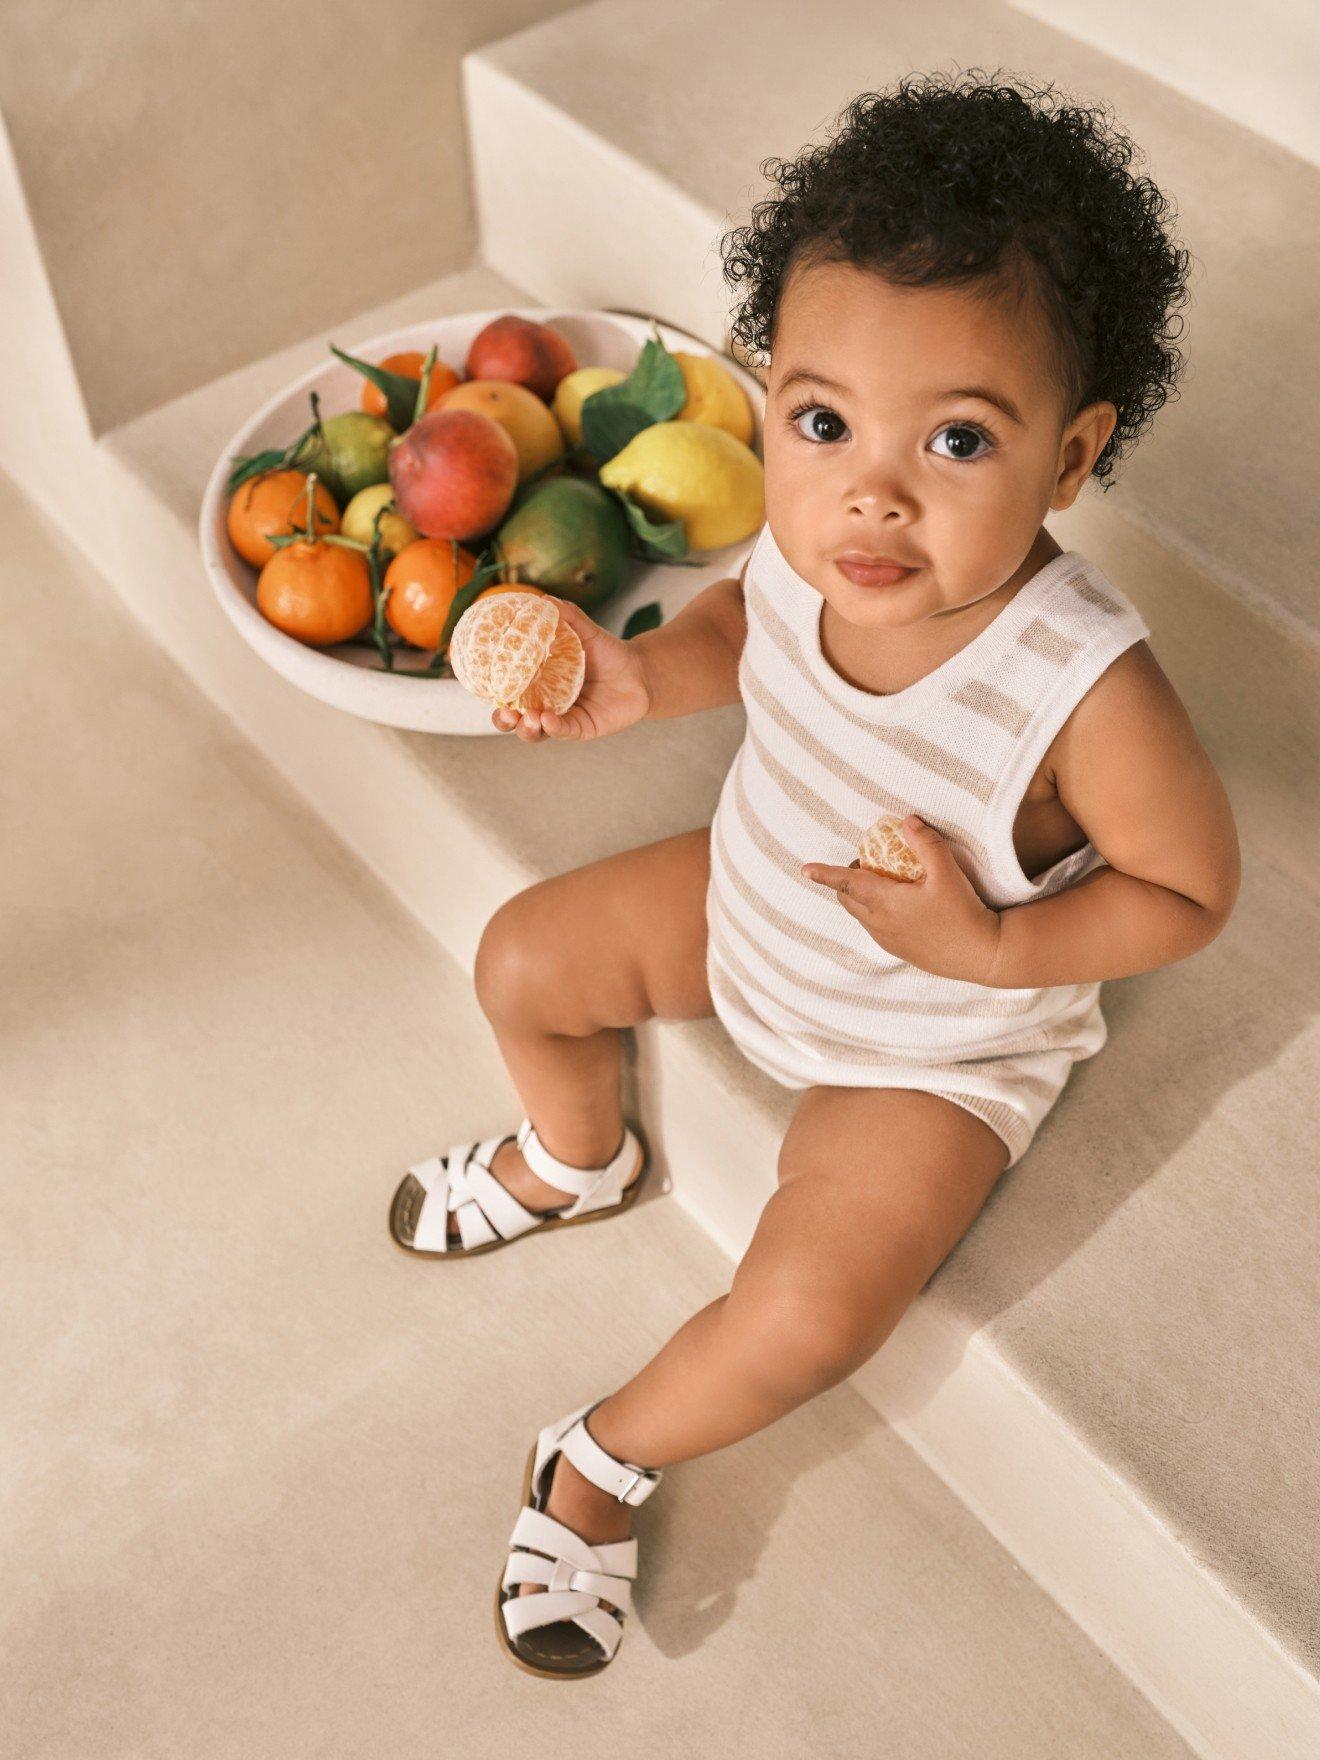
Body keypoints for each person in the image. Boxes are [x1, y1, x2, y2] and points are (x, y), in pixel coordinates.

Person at [390, 68, 1240, 1678]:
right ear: (773, 398)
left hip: (931, 1037)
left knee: (809, 1315)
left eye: (962, 440)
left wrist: (987, 944)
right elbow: (734, 631)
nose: (872, 491)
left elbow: (1194, 892)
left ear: (1071, 458)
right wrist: (642, 679)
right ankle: (579, 1158)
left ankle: (600, 1455)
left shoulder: (1084, 686)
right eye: (825, 421)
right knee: (521, 957)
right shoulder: (802, 541)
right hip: (761, 899)